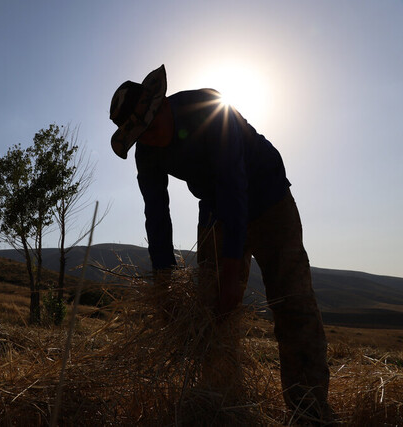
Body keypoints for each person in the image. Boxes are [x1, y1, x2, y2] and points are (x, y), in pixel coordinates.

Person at [109, 64, 333, 423]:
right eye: (139, 134)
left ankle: (311, 412)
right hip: (215, 205)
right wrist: (164, 285)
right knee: (211, 313)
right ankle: (223, 408)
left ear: (164, 104)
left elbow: (234, 182)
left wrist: (232, 272)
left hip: (268, 196)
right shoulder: (147, 152)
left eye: (151, 125)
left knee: (293, 304)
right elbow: (157, 215)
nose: (148, 137)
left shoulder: (210, 110)